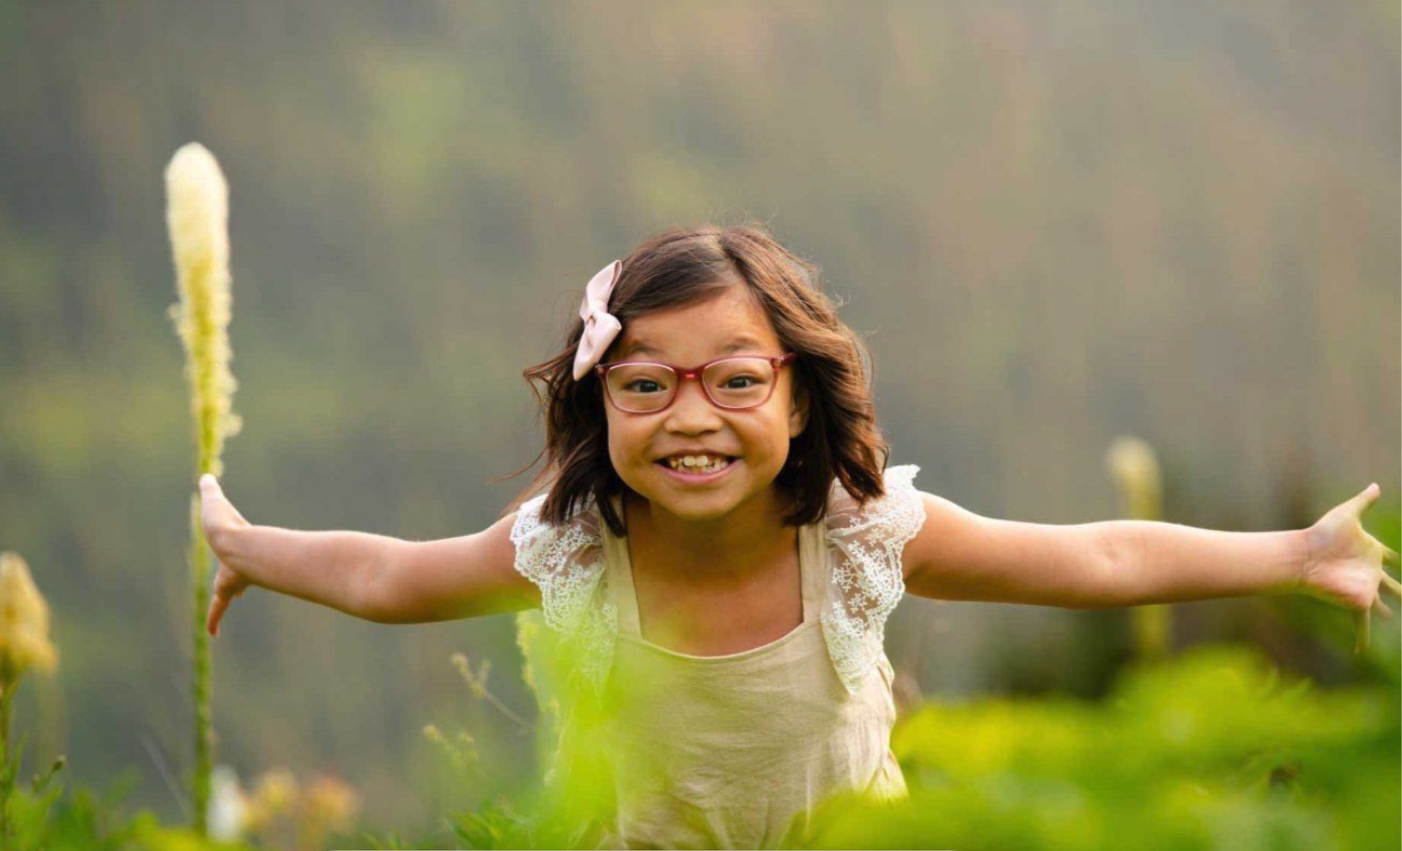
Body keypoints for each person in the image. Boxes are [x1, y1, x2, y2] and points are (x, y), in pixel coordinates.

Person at [197, 223, 1401, 849]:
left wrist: (1296, 554)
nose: (689, 418)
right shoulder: (570, 549)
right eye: (643, 385)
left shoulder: (861, 535)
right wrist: (252, 547)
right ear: (593, 401)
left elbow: (1098, 557)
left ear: (797, 393)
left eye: (732, 378)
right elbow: (391, 574)